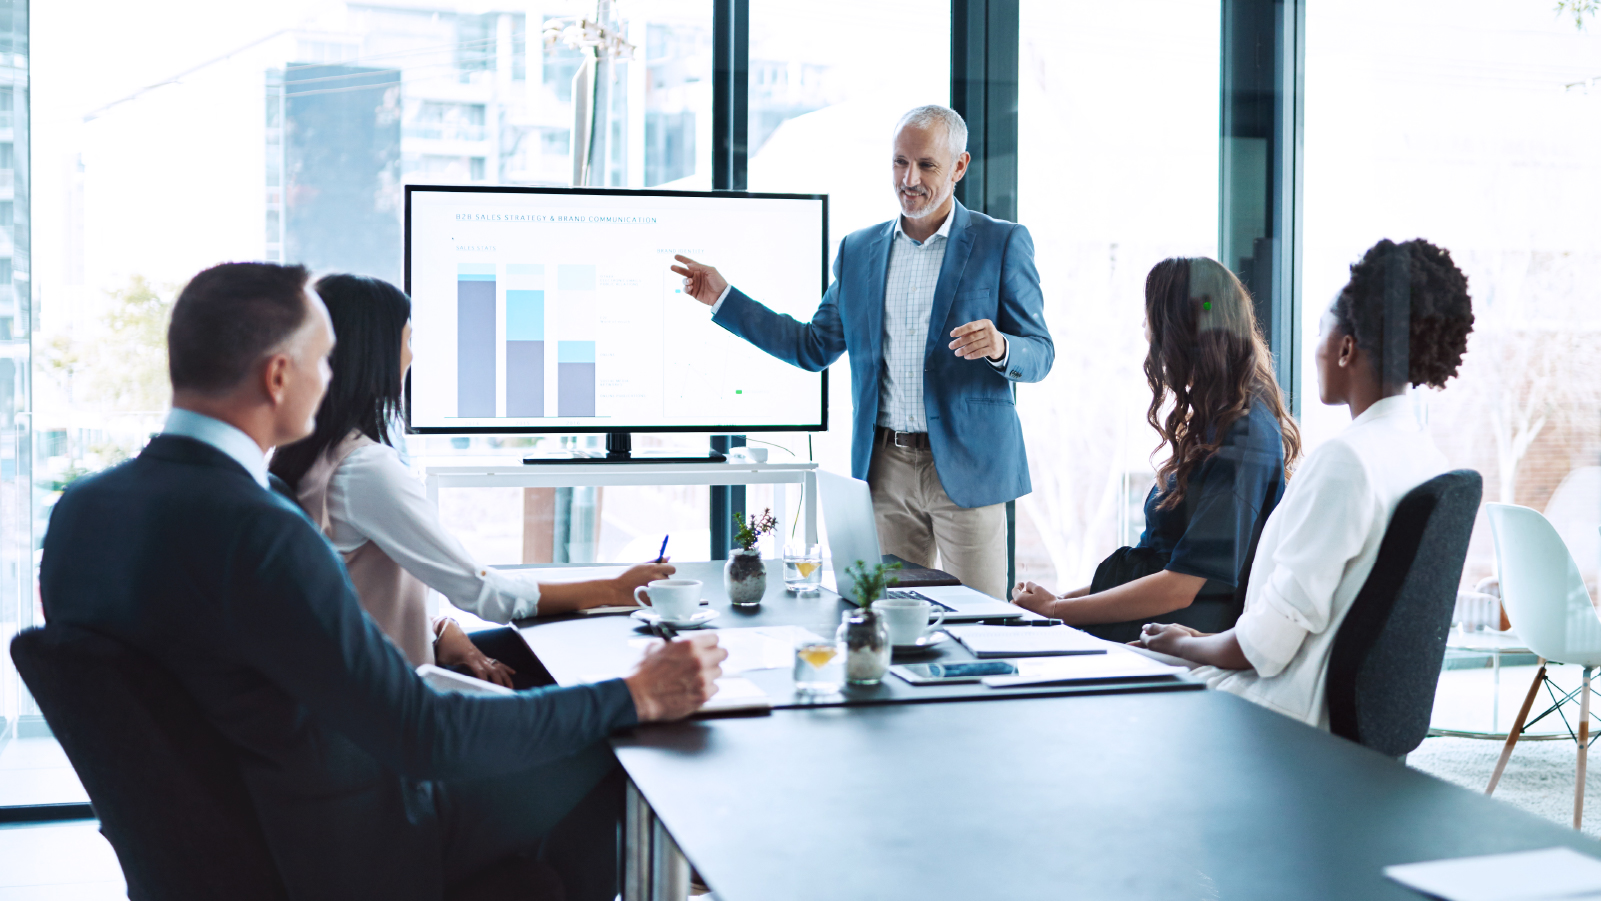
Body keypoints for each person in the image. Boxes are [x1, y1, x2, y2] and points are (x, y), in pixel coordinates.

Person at [38, 262, 727, 901]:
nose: (331, 374)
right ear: (279, 375)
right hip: (350, 847)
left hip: (224, 849)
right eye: (322, 358)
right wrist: (633, 691)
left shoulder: (82, 512)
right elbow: (421, 733)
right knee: (615, 750)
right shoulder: (265, 532)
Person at [670, 104, 1053, 599]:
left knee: (979, 621)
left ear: (959, 167)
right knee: (888, 618)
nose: (909, 179)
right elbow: (811, 347)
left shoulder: (1001, 243)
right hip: (884, 471)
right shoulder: (859, 251)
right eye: (900, 162)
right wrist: (725, 298)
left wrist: (1002, 347)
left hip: (969, 469)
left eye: (927, 166)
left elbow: (1040, 353)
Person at [270, 274, 671, 689]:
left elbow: (354, 595)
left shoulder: (308, 454)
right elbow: (484, 593)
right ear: (376, 354)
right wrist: (615, 588)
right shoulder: (365, 470)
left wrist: (441, 628)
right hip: (398, 700)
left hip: (364, 678)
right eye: (408, 342)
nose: (412, 357)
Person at [1138, 238, 1474, 728]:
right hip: (1325, 711)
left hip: (1277, 713)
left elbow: (1264, 650)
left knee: (1101, 679)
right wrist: (1192, 642)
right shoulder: (1427, 458)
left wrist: (1185, 644)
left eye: (1321, 332)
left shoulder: (1347, 461)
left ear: (1345, 348)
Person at [1011, 257, 1300, 641]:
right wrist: (1056, 603)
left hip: (1175, 634)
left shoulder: (1243, 437)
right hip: (1158, 623)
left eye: (1152, 319)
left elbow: (1180, 586)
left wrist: (1058, 611)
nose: (1145, 330)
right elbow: (1156, 568)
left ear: (1180, 333)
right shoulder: (1218, 422)